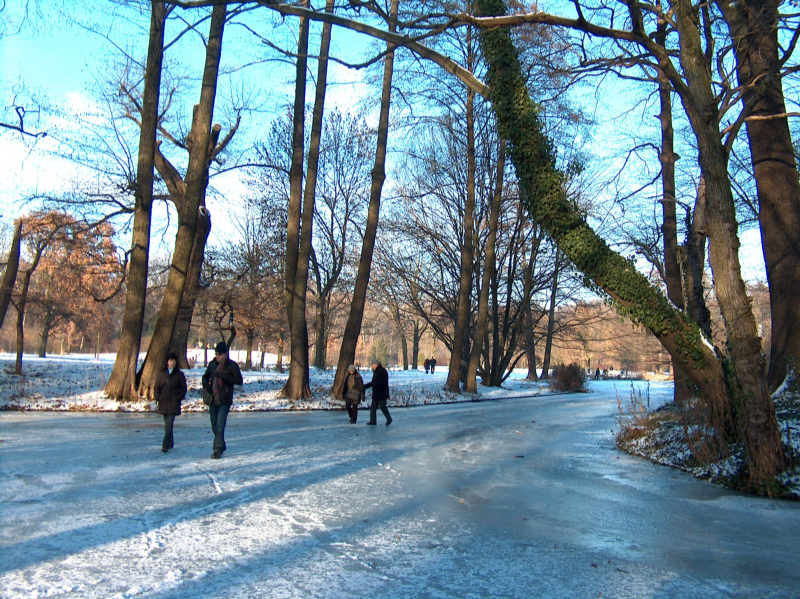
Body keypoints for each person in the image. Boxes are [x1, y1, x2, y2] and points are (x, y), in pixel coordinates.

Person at [202, 341, 243, 459]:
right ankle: (221, 444)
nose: (218, 356)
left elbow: (239, 380)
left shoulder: (232, 366)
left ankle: (217, 450)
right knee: (214, 426)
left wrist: (225, 377)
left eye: (220, 354)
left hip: (224, 399)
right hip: (213, 399)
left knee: (220, 425)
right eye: (216, 354)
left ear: (226, 354)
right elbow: (205, 377)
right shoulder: (212, 365)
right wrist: (207, 386)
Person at [155, 352, 187, 453]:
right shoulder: (162, 374)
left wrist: (179, 397)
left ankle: (165, 445)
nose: (172, 362)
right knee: (167, 425)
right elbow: (157, 387)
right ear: (167, 362)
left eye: (173, 360)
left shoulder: (179, 374)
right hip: (163, 402)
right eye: (170, 360)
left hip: (174, 402)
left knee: (169, 424)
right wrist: (157, 397)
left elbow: (183, 388)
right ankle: (170, 443)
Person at [363, 359, 392, 426]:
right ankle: (372, 421)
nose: (372, 366)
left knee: (382, 406)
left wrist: (375, 384)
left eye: (372, 365)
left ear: (376, 364)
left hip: (382, 392)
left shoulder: (382, 371)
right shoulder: (376, 371)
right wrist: (366, 386)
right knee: (373, 407)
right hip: (376, 393)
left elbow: (383, 381)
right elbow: (373, 382)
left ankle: (389, 418)